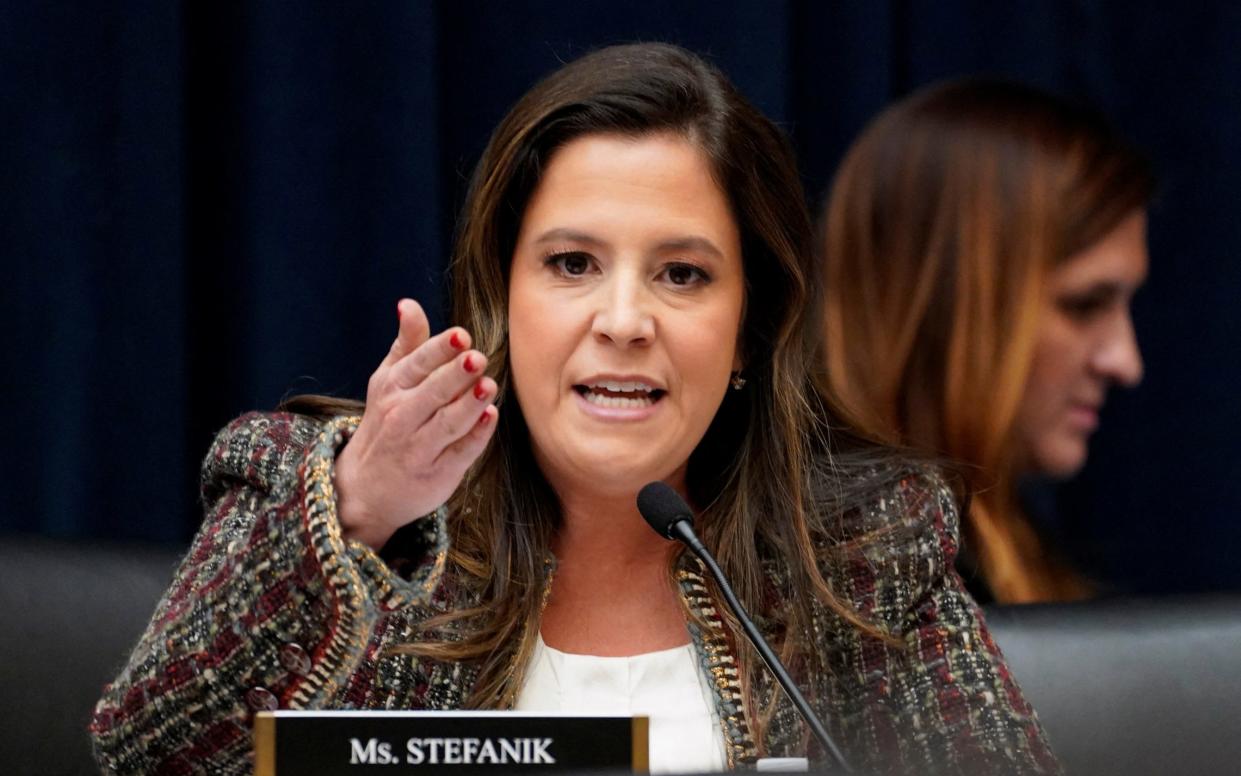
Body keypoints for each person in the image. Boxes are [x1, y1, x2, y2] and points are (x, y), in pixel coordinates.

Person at [91, 46, 1059, 774]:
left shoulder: (862, 548)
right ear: (500, 293)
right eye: (571, 264)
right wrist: (358, 509)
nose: (624, 319)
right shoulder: (319, 491)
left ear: (750, 329)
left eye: (681, 273)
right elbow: (146, 749)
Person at [820, 78, 1153, 604]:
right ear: (950, 304)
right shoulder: (851, 590)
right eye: (1085, 304)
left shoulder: (997, 556)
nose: (1125, 363)